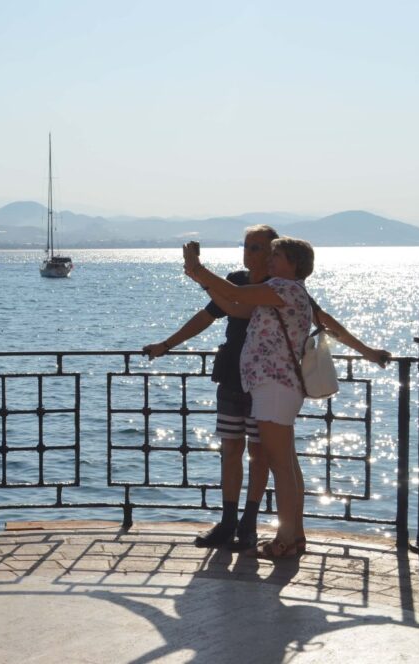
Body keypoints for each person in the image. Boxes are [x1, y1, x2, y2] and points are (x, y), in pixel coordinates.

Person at [144, 226, 390, 552]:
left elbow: (239, 297)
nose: (264, 258)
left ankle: (284, 538)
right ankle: (292, 535)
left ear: (293, 264)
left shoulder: (283, 289)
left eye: (273, 253)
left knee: (278, 465)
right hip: (263, 385)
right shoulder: (282, 289)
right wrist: (198, 280)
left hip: (273, 387)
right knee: (285, 463)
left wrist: (198, 270)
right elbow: (234, 306)